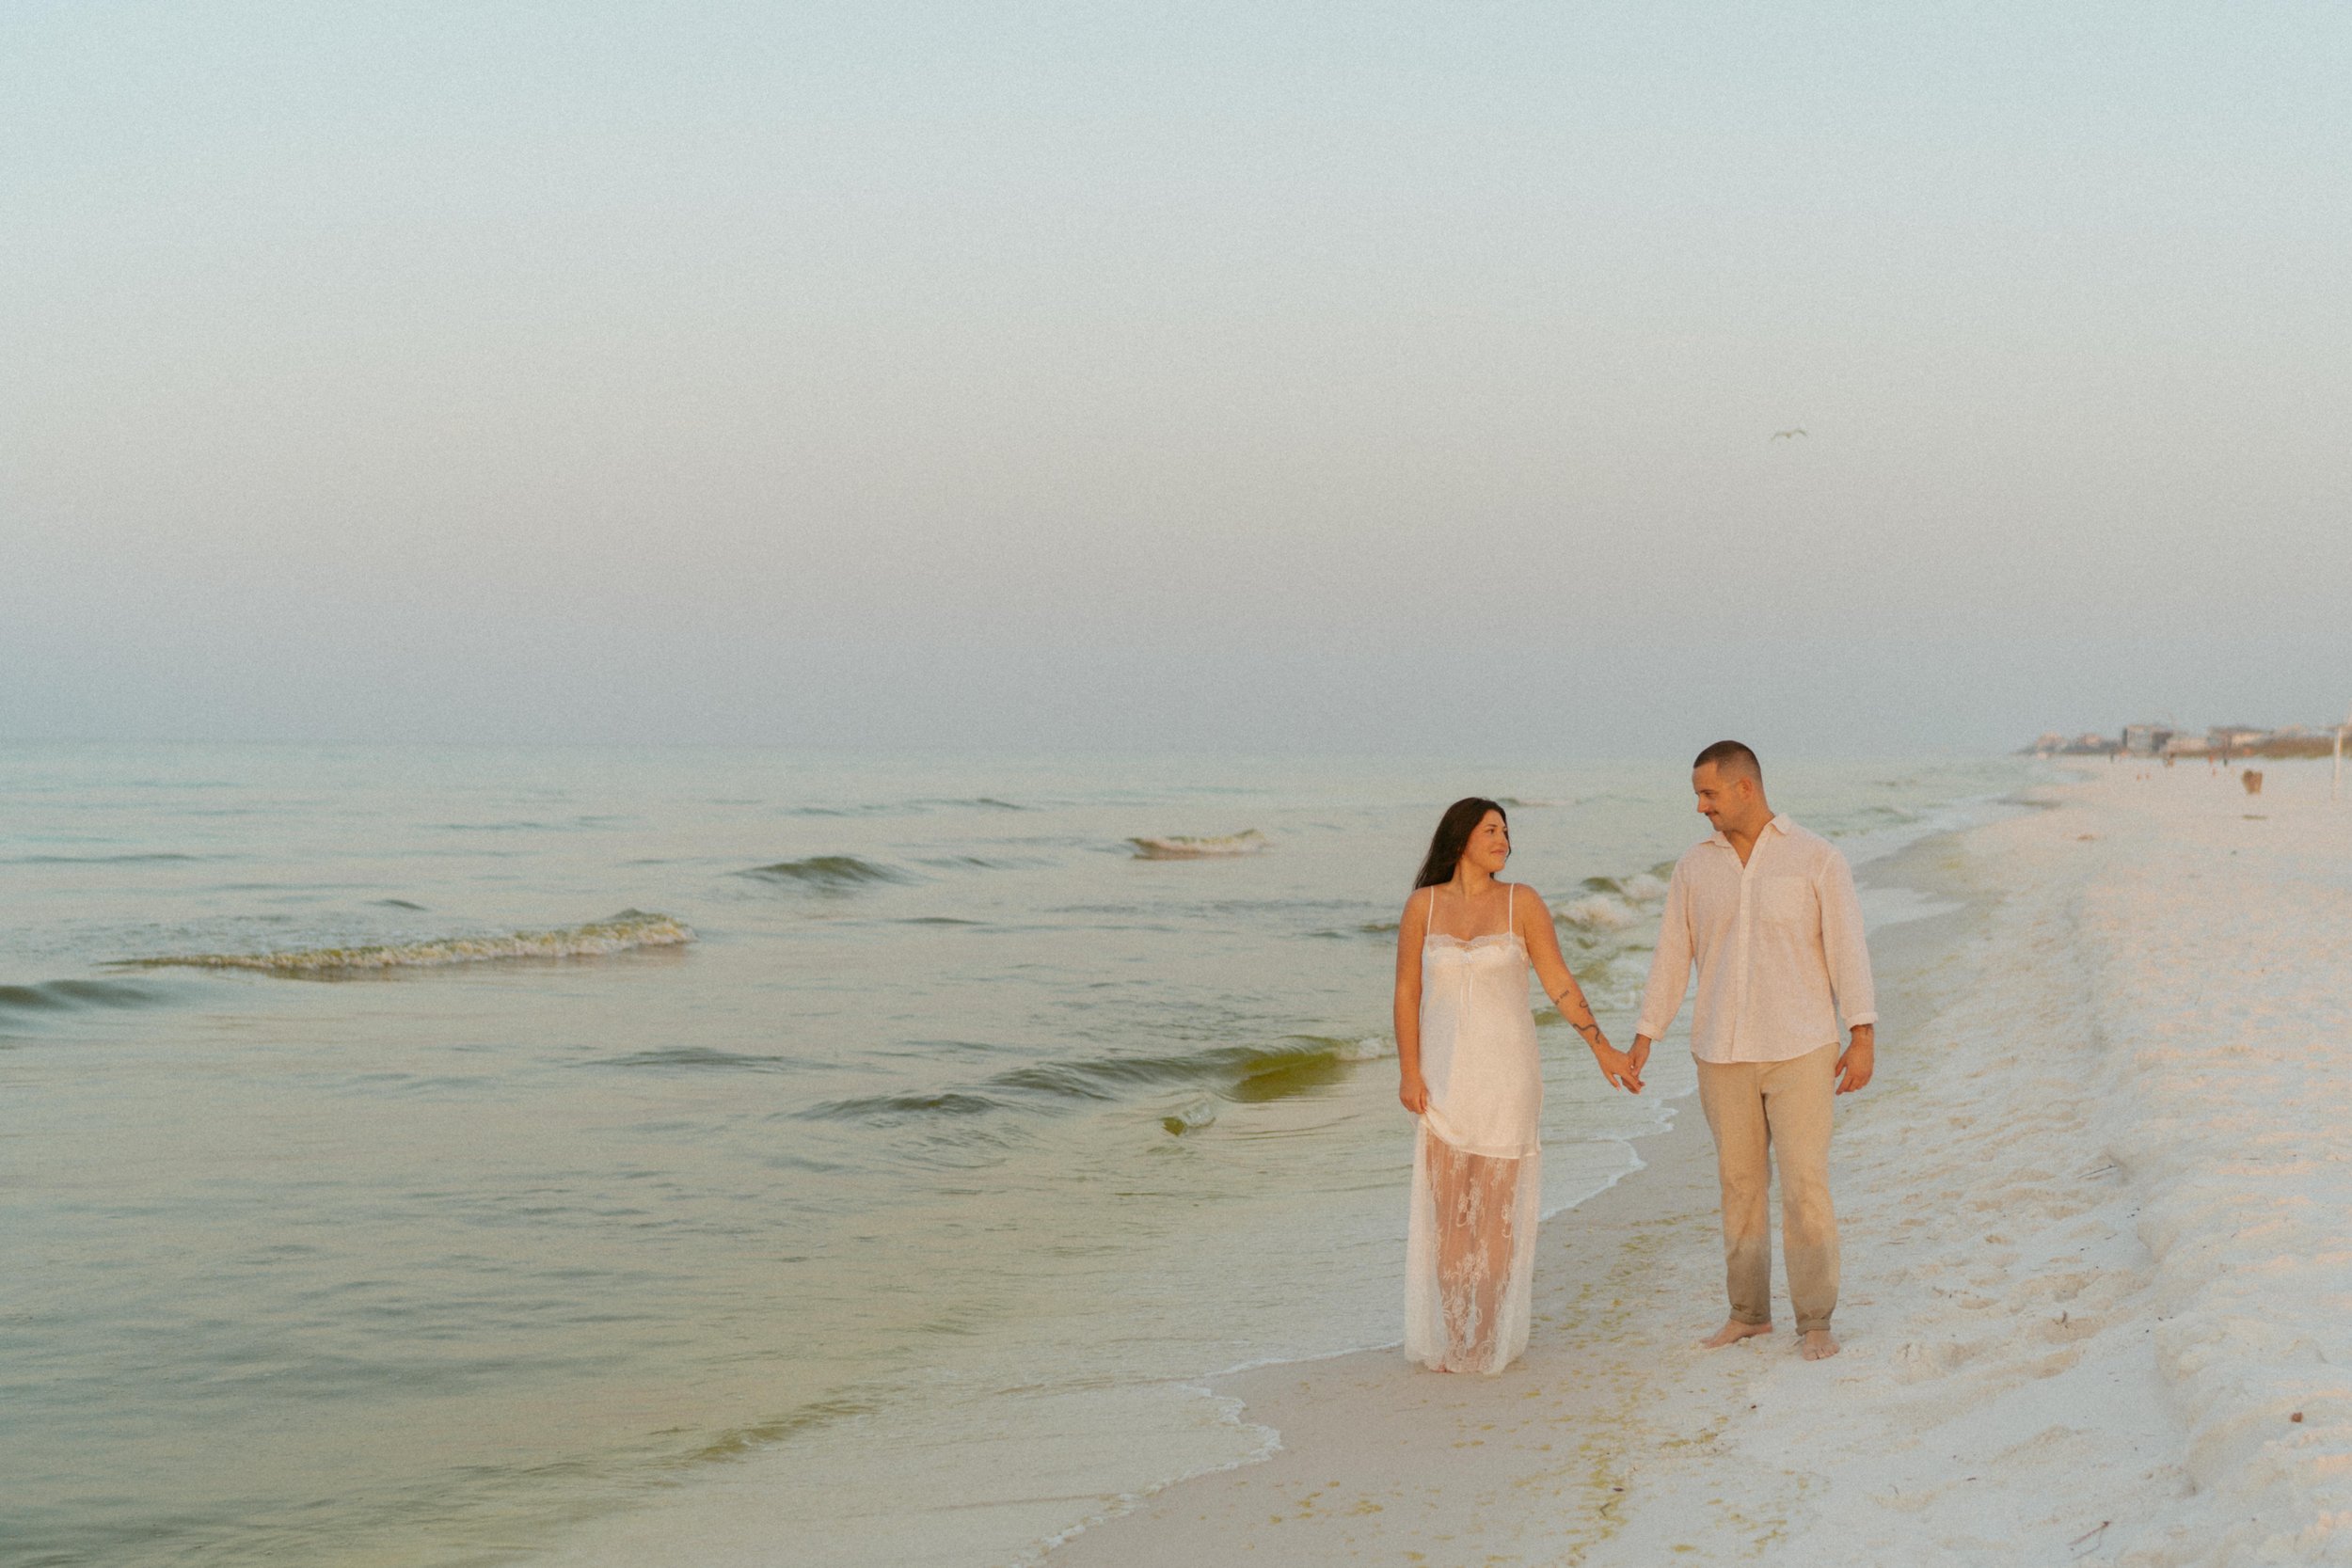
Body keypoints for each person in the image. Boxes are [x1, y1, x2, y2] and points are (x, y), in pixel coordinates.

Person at [1629, 741, 1876, 1362]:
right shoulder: (1694, 867)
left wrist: (1862, 1034)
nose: (1700, 806)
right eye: (1698, 795)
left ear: (1745, 788)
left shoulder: (1816, 857)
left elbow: (1848, 949)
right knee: (1739, 1185)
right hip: (1721, 1050)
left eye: (1708, 793)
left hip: (1801, 1046)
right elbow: (1671, 955)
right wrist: (1645, 1036)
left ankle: (1815, 1319)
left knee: (1804, 1184)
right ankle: (1748, 1314)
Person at [1394, 798, 1644, 1373]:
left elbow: (1558, 982)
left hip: (1508, 1076)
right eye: (1490, 830)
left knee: (1494, 1218)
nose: (1503, 840)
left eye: (1505, 831)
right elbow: (1406, 993)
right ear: (1461, 837)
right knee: (1450, 1217)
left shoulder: (1521, 902)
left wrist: (1602, 1047)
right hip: (1443, 1079)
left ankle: (1485, 1333)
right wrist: (1409, 1070)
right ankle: (1455, 1333)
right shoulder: (1422, 906)